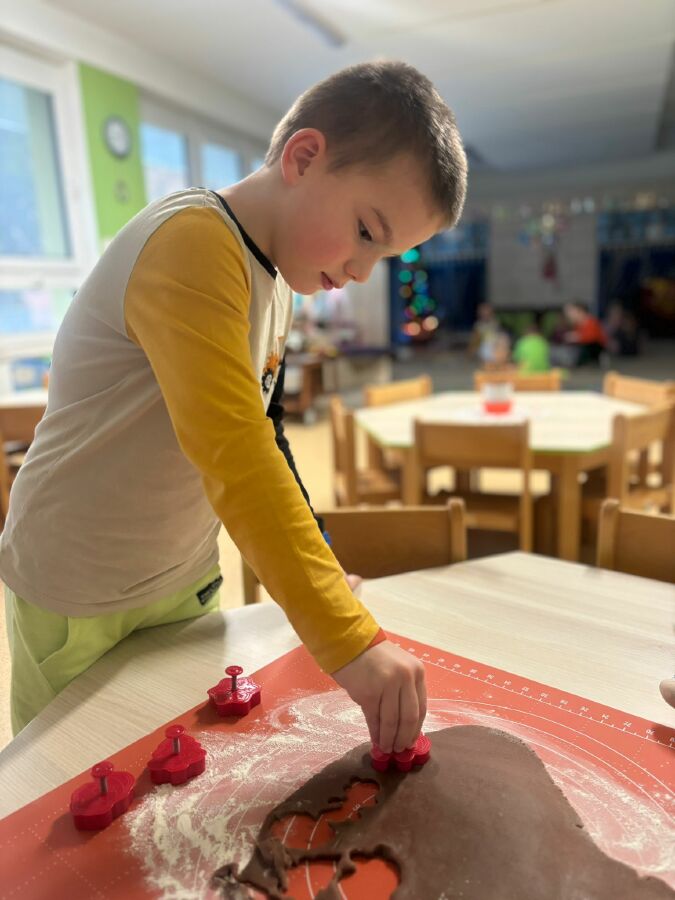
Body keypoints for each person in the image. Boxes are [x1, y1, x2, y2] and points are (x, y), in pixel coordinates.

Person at [0, 61, 468, 748]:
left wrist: (321, 565)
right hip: (80, 583)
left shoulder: (275, 280)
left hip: (180, 573)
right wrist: (348, 639)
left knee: (178, 763)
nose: (362, 271)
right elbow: (237, 456)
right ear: (303, 157)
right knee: (73, 774)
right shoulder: (192, 241)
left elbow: (266, 434)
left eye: (384, 255)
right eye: (367, 233)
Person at [562, 300, 607, 365]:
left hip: (596, 350)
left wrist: (577, 337)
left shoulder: (590, 322)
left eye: (571, 312)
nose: (569, 316)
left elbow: (593, 337)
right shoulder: (577, 325)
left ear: (580, 311)